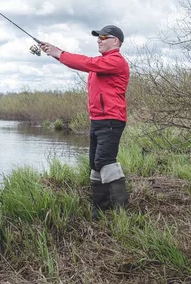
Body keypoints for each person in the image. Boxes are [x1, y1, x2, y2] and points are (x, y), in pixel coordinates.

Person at [41, 25, 130, 219]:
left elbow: (86, 63)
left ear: (115, 42)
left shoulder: (116, 61)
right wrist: (55, 53)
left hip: (112, 120)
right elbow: (87, 64)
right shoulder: (103, 62)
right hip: (97, 121)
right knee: (95, 164)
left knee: (104, 161)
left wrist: (59, 52)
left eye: (103, 37)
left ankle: (122, 209)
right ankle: (99, 210)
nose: (99, 40)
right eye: (98, 37)